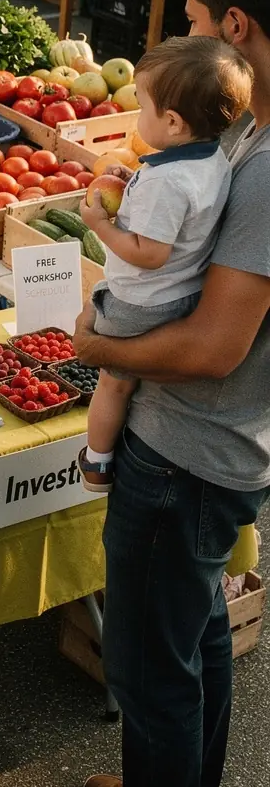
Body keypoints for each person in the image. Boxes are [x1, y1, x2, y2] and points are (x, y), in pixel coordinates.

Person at [73, 0, 270, 787]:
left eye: (192, 21)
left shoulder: (265, 170)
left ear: (235, 25)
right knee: (196, 642)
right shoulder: (245, 139)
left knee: (150, 668)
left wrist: (98, 348)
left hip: (189, 450)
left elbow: (213, 347)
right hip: (225, 442)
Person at [76, 37, 252, 494]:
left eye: (143, 107)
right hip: (181, 294)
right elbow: (183, 218)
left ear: (172, 122)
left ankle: (96, 463)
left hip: (141, 300)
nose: (138, 116)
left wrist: (100, 224)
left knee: (113, 383)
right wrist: (135, 184)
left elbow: (148, 254)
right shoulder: (212, 157)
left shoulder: (167, 181)